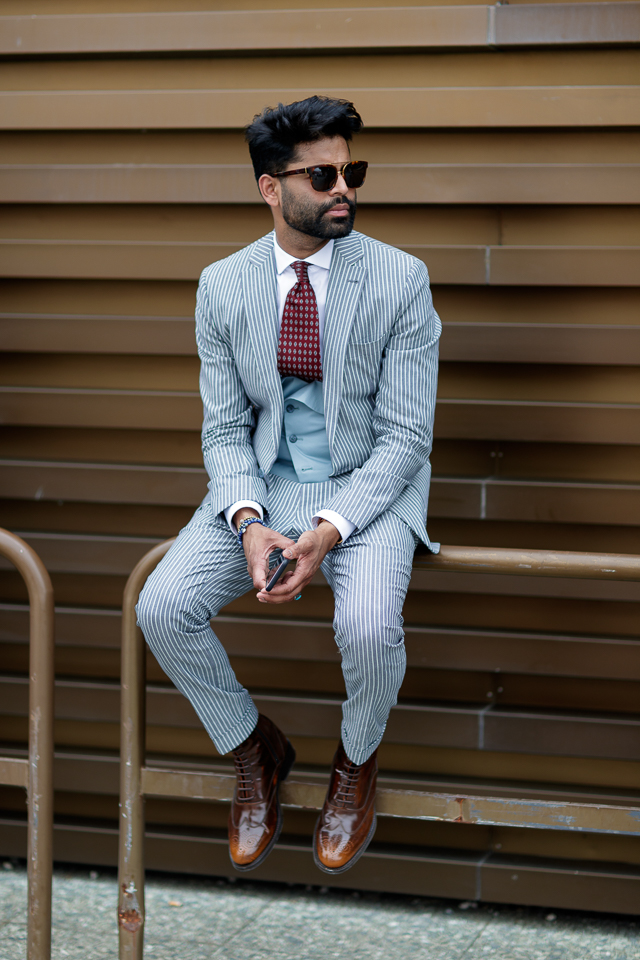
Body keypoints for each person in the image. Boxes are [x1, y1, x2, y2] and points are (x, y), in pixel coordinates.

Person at [137, 95, 441, 876]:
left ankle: (355, 764)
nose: (345, 189)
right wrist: (247, 521)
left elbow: (406, 438)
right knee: (161, 606)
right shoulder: (223, 285)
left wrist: (330, 529)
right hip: (264, 485)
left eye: (352, 172)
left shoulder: (401, 279)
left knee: (368, 628)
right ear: (271, 188)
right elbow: (223, 430)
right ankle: (254, 751)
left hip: (369, 488)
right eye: (323, 176)